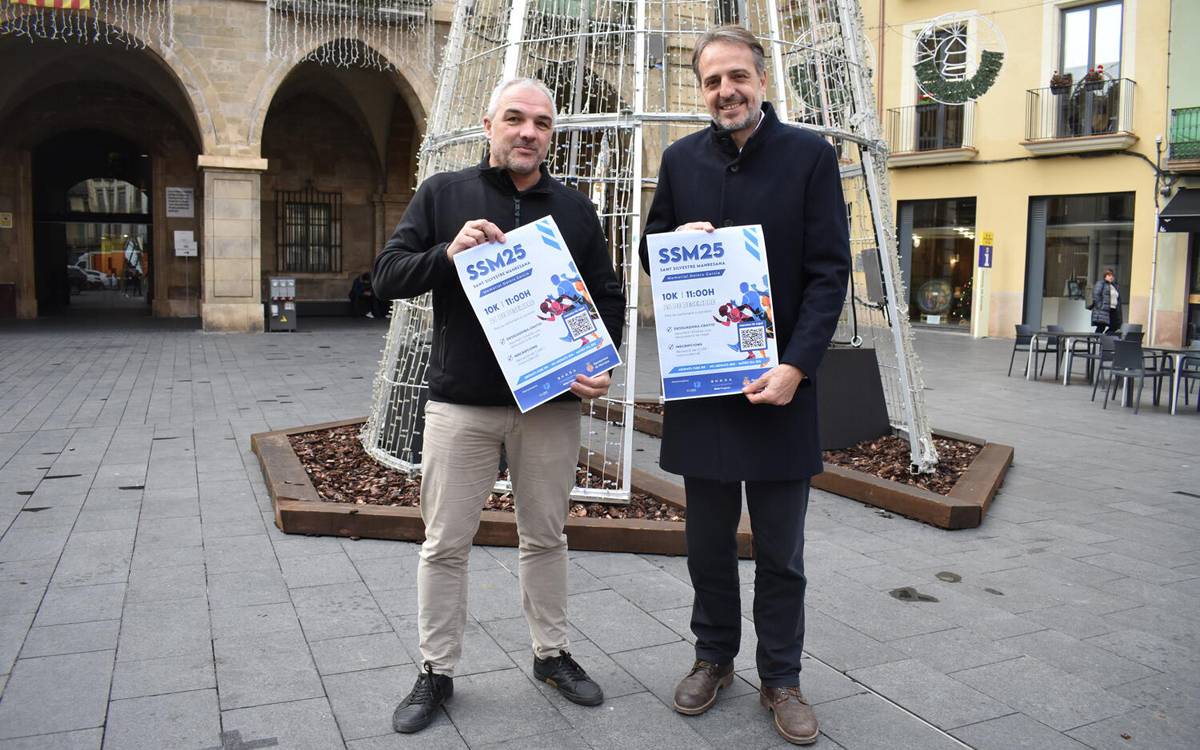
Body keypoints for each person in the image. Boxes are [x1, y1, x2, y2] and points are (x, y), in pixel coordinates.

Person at [372, 77, 625, 735]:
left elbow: (608, 296)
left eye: (541, 123)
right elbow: (386, 276)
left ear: (550, 136)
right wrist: (446, 254)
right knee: (444, 543)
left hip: (550, 404)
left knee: (546, 536)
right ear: (488, 123)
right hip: (462, 405)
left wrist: (599, 358)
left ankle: (551, 655)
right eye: (515, 118)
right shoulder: (444, 195)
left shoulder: (575, 210)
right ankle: (436, 671)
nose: (527, 132)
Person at [638, 26, 850, 746]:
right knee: (706, 546)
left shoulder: (811, 158)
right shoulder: (679, 160)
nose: (725, 90)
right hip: (704, 391)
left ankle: (782, 678)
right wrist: (675, 245)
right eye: (711, 81)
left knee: (782, 553)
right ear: (701, 90)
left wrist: (797, 366)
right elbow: (649, 247)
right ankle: (712, 658)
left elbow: (830, 273)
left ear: (762, 81)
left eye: (737, 77)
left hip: (782, 389)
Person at [1091, 267, 1122, 334]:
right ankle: (1095, 341)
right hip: (1104, 310)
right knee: (1101, 327)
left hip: (1113, 310)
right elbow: (1096, 295)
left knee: (1114, 326)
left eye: (1112, 276)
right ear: (1105, 276)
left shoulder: (1114, 286)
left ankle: (1105, 340)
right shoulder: (1101, 283)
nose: (1111, 277)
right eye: (1109, 275)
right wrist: (1101, 306)